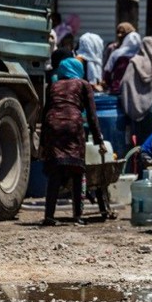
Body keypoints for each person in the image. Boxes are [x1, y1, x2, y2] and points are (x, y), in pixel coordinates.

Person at [40, 57, 108, 226]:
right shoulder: (83, 84)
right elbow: (92, 116)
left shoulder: (53, 85)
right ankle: (78, 215)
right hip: (73, 124)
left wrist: (42, 143)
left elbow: (45, 111)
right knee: (77, 170)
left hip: (52, 125)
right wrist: (99, 140)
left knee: (55, 171)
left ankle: (49, 215)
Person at [103, 23, 141, 94]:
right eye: (118, 33)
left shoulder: (117, 54)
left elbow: (107, 72)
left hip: (118, 89)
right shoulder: (141, 56)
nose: (120, 36)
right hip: (135, 91)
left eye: (123, 34)